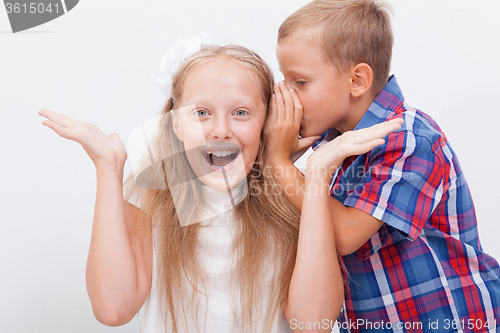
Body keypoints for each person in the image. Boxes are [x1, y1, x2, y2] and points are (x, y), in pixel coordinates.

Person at [39, 42, 401, 332]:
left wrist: (318, 178)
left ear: (266, 123)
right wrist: (109, 168)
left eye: (241, 113)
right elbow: (112, 309)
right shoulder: (149, 197)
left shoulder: (292, 198)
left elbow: (314, 323)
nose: (220, 130)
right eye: (202, 113)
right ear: (176, 124)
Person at [265, 0, 500, 332]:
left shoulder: (410, 138)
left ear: (357, 80)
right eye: (284, 79)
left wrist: (277, 163)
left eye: (300, 82)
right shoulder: (332, 146)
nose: (286, 94)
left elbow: (346, 235)